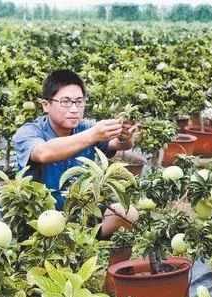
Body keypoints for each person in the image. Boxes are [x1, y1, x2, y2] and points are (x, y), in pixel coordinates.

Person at [13, 69, 136, 213]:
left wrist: (124, 135)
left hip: (81, 210)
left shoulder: (85, 127)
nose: (74, 109)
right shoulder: (29, 132)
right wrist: (93, 135)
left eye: (79, 102)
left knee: (129, 213)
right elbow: (43, 153)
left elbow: (122, 144)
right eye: (65, 102)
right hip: (41, 215)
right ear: (46, 105)